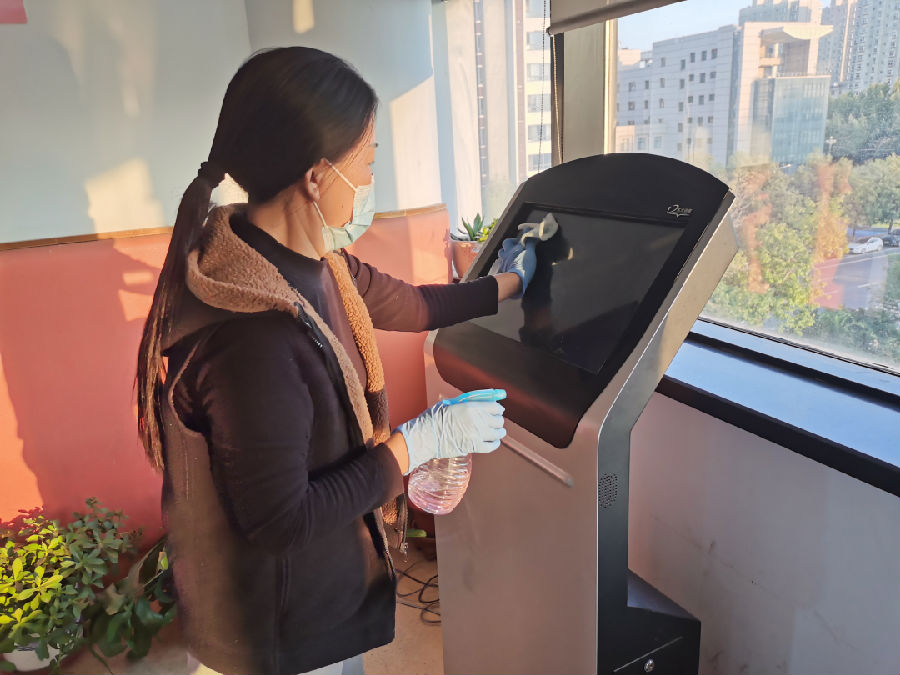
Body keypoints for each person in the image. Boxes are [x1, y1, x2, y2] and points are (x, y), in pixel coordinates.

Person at [135, 47, 536, 675]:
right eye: (369, 161)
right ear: (317, 177)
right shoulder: (251, 336)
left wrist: (511, 282)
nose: (373, 180)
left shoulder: (305, 259)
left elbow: (412, 305)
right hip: (271, 629)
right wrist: (418, 443)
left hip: (318, 594)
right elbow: (282, 521)